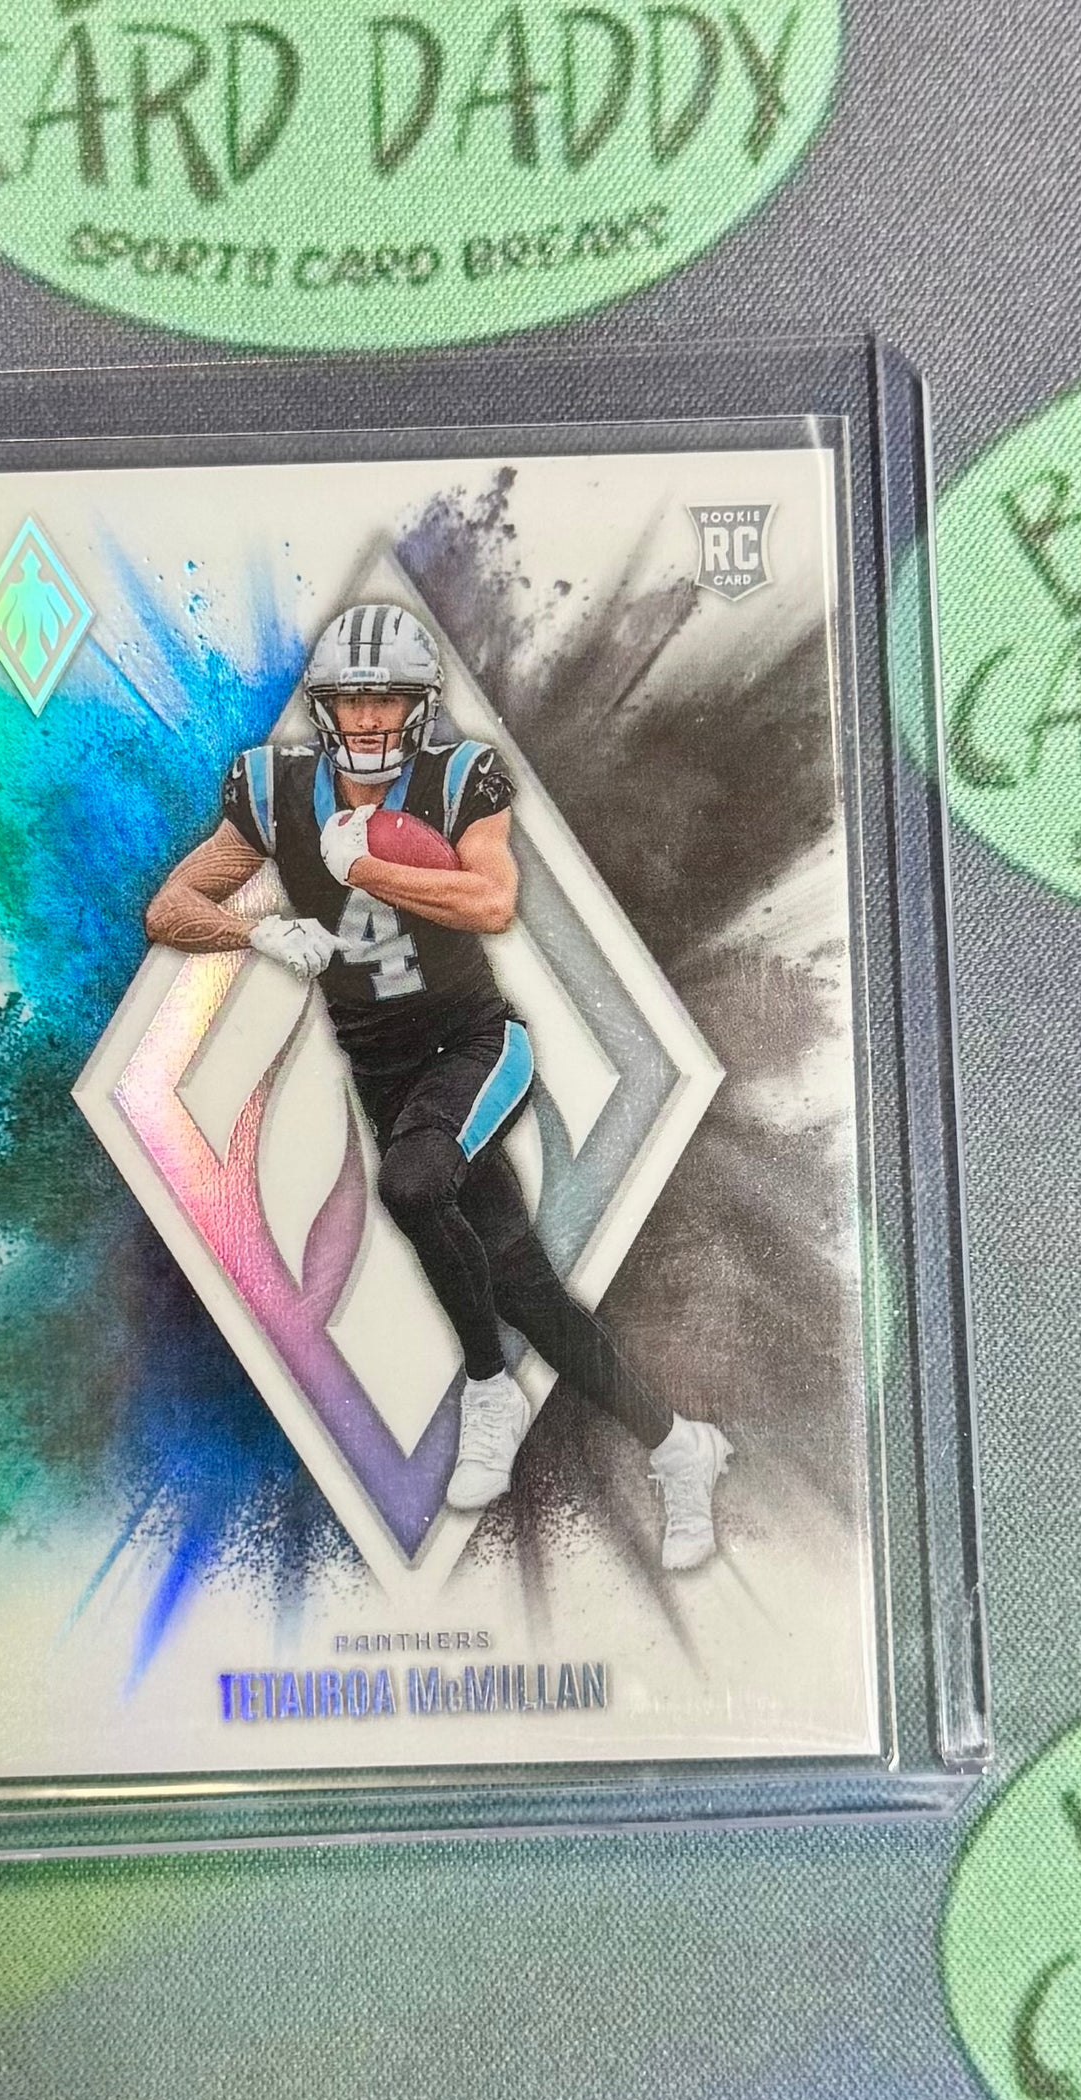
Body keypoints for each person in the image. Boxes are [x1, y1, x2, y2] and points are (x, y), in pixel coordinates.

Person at [143, 605, 730, 1570]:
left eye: (388, 698)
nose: (370, 717)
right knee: (524, 1285)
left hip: (474, 1045)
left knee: (413, 1187)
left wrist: (366, 867)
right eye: (352, 699)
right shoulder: (276, 791)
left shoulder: (458, 779)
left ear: (419, 706)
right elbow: (169, 907)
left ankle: (489, 1387)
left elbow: (492, 901)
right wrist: (256, 931)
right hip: (384, 1073)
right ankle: (679, 1446)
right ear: (325, 708)